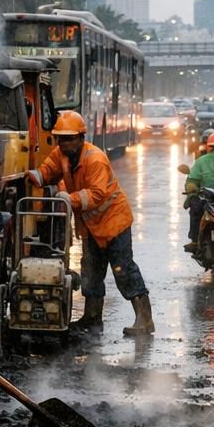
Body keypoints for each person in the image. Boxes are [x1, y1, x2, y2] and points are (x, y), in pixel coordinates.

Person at [26, 111, 154, 336]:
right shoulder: (61, 155)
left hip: (114, 222)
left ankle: (145, 319)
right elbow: (49, 170)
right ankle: (92, 318)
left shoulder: (95, 159)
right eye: (60, 139)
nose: (64, 143)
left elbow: (97, 194)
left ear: (81, 137)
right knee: (91, 271)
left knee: (123, 269)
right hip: (92, 226)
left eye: (69, 139)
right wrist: (35, 175)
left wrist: (71, 198)